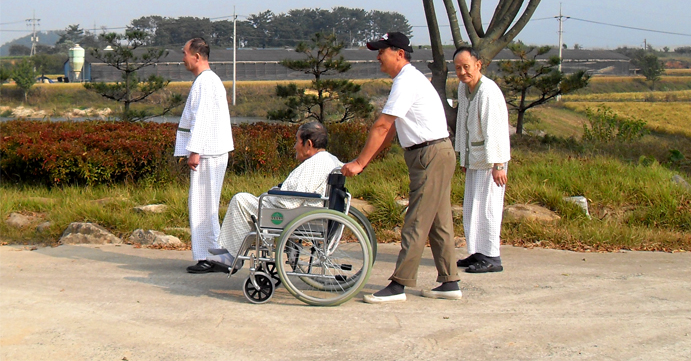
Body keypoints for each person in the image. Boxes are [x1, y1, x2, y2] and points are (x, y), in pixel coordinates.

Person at [341, 32, 461, 303]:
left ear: (399, 53)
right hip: (433, 153)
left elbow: (382, 125)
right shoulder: (408, 80)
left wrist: (359, 163)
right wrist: (369, 160)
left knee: (416, 221)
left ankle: (399, 285)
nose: (378, 56)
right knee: (438, 221)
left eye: (382, 51)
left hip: (430, 155)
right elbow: (392, 130)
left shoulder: (406, 81)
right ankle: (450, 281)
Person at [207, 122, 342, 271]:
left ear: (308, 144)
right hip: (310, 211)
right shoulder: (329, 159)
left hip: (294, 213)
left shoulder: (314, 164)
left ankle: (233, 256)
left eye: (297, 141)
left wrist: (274, 193)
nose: (294, 146)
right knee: (251, 205)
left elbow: (289, 202)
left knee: (241, 200)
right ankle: (231, 250)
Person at [175, 38, 234, 274]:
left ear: (197, 56)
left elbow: (203, 119)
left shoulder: (206, 82)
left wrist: (195, 150)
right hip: (211, 151)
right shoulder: (208, 81)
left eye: (185, 53)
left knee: (203, 206)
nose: (183, 58)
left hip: (208, 152)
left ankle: (211, 257)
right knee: (204, 205)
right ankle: (214, 255)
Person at [453, 47, 511, 273]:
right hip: (474, 158)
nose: (462, 72)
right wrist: (463, 157)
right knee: (472, 207)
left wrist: (498, 165)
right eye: (458, 68)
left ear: (478, 64)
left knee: (489, 208)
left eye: (466, 66)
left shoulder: (488, 91)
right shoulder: (463, 88)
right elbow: (462, 124)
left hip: (490, 162)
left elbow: (495, 129)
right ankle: (477, 252)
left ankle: (492, 257)